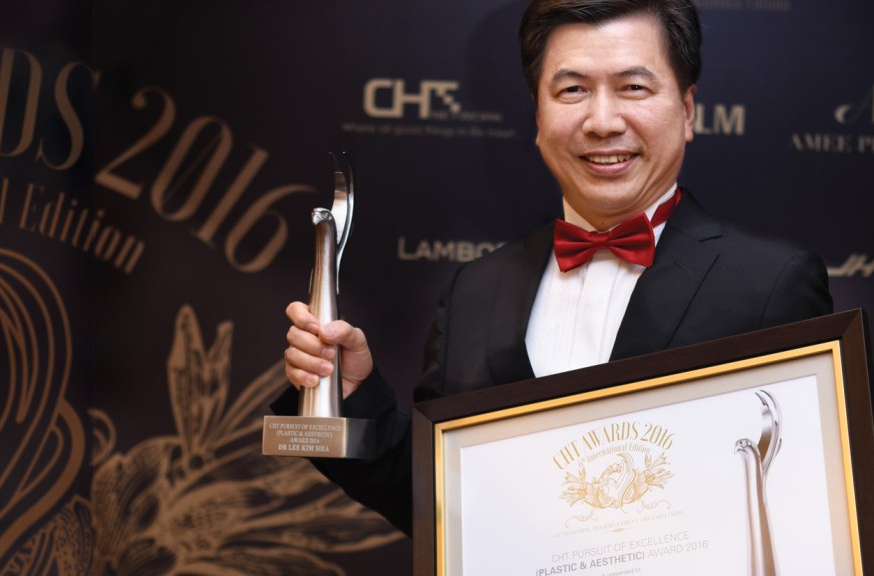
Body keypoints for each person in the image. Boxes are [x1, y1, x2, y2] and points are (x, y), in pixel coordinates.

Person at [274, 0, 832, 536]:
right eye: (573, 90)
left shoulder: (771, 285)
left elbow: (806, 509)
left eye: (633, 87)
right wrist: (351, 394)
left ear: (687, 110)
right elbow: (438, 508)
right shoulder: (476, 290)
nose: (602, 121)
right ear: (538, 116)